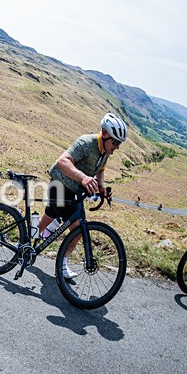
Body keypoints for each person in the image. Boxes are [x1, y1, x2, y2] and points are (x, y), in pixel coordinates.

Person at [37, 112, 127, 279]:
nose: (117, 147)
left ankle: (26, 241)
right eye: (115, 142)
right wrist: (84, 178)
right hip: (60, 185)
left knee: (48, 216)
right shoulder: (86, 142)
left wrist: (102, 188)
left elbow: (100, 170)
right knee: (78, 229)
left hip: (75, 191)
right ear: (104, 133)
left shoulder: (105, 151)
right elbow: (62, 161)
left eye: (119, 143)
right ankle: (61, 264)